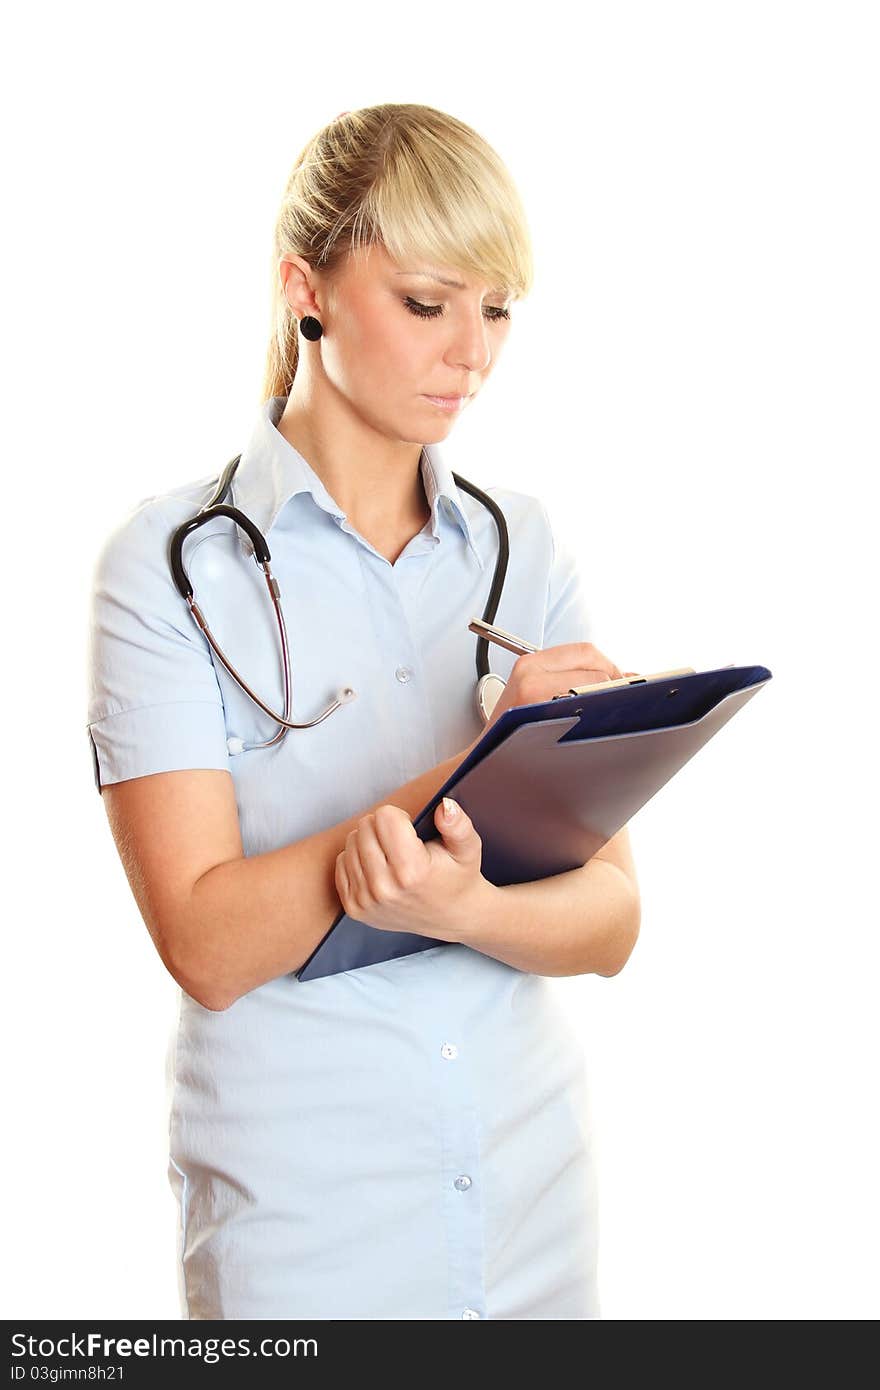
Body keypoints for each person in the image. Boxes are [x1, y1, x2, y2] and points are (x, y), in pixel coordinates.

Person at [85, 102, 641, 1321]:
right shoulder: (173, 564)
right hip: (306, 1209)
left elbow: (610, 920)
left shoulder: (519, 545)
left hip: (526, 1186)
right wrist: (467, 775)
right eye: (428, 302)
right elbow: (206, 943)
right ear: (309, 289)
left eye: (496, 310)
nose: (472, 354)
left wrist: (473, 906)